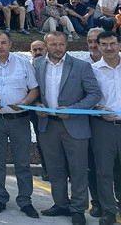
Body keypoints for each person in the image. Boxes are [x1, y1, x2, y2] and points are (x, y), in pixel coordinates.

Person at [33, 31, 101, 225]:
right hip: (48, 125)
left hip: (75, 125)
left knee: (78, 170)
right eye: (53, 44)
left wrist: (72, 110)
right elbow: (33, 91)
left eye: (61, 44)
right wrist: (37, 105)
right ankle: (61, 204)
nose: (57, 48)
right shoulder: (37, 64)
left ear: (66, 45)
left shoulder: (81, 66)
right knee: (54, 169)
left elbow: (94, 95)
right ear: (46, 45)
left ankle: (78, 208)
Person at [0, 30, 41, 217]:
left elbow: (34, 89)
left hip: (19, 120)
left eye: (3, 42)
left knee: (22, 162)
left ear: (10, 44)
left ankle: (25, 200)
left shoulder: (24, 63)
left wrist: (25, 102)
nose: (0, 46)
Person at [89, 31, 121, 225]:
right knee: (104, 171)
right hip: (103, 127)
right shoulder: (92, 71)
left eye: (112, 44)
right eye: (104, 44)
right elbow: (86, 98)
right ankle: (108, 209)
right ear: (98, 46)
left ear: (119, 45)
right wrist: (98, 110)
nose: (109, 48)